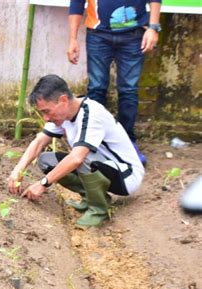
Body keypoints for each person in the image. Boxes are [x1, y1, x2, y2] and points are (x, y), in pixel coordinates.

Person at [7, 75, 145, 228]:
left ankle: (99, 210)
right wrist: (18, 170)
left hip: (126, 176)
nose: (46, 118)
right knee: (46, 160)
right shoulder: (64, 115)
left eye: (47, 111)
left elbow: (77, 158)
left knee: (80, 157)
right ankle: (91, 198)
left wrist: (43, 184)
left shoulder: (91, 114)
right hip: (105, 167)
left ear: (63, 100)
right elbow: (39, 141)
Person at [67, 0, 162, 166]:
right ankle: (93, 142)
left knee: (129, 91)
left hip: (134, 36)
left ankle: (127, 143)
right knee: (96, 89)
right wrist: (73, 39)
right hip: (98, 36)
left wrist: (153, 28)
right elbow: (76, 3)